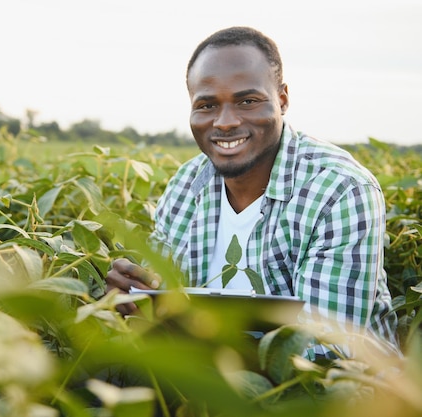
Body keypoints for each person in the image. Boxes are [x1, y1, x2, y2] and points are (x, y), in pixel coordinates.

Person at [105, 26, 398, 357]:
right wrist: (131, 293)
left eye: (247, 100)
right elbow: (156, 296)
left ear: (282, 100)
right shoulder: (186, 184)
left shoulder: (339, 190)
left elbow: (329, 351)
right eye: (207, 105)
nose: (225, 121)